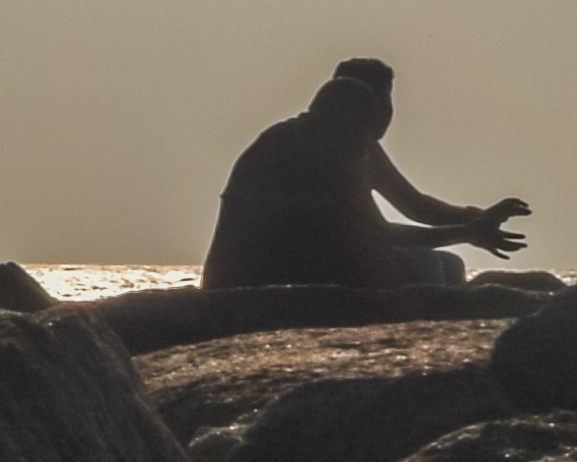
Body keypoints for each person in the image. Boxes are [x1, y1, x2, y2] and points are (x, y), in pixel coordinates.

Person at [199, 59, 527, 294]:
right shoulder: (325, 151)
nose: (387, 114)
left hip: (301, 269)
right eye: (383, 101)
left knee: (442, 263)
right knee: (437, 266)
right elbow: (378, 233)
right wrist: (468, 231)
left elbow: (416, 206)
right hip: (264, 281)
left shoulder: (341, 141)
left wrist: (478, 219)